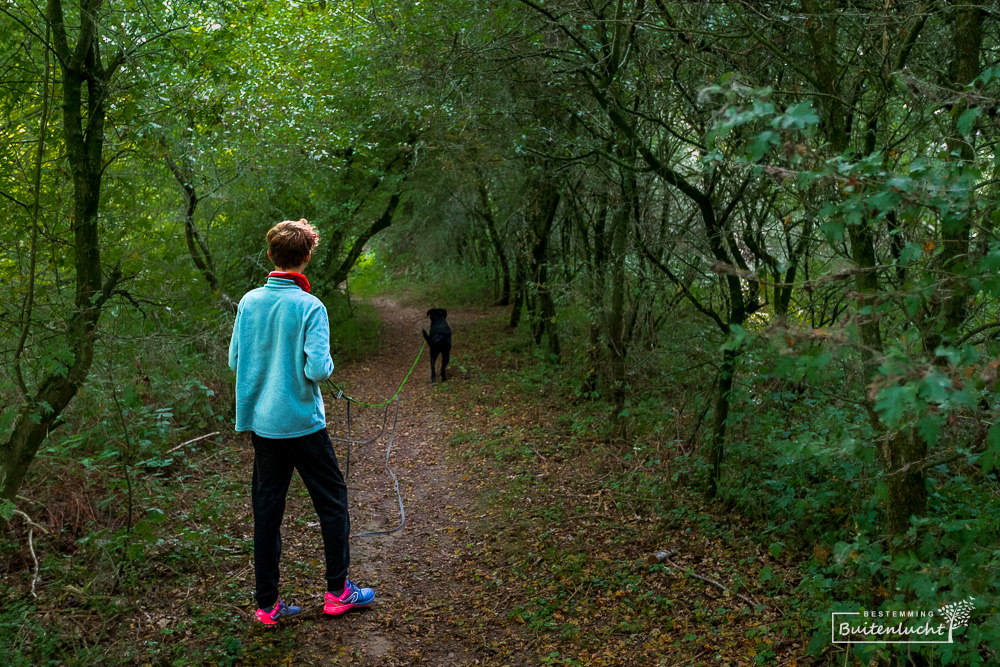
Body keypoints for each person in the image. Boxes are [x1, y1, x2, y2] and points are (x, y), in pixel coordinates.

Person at [228, 219, 375, 626]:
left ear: (272, 255)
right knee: (332, 502)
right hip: (304, 426)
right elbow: (318, 371)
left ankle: (267, 605)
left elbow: (234, 362)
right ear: (306, 257)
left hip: (264, 426)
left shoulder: (249, 301)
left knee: (267, 512)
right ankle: (338, 592)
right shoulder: (310, 306)